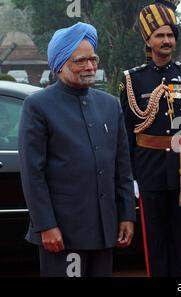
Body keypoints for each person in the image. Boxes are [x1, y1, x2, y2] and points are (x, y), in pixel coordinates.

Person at [18, 22, 136, 277]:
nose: (90, 67)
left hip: (105, 230)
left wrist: (127, 215)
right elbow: (32, 174)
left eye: (93, 59)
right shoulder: (38, 106)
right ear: (60, 64)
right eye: (81, 61)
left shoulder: (110, 105)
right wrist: (45, 226)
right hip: (62, 233)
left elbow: (122, 168)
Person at [120, 0, 181, 277]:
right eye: (159, 35)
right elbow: (127, 133)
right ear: (148, 39)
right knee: (154, 240)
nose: (166, 40)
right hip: (148, 169)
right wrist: (131, 177)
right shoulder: (132, 80)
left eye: (170, 35)